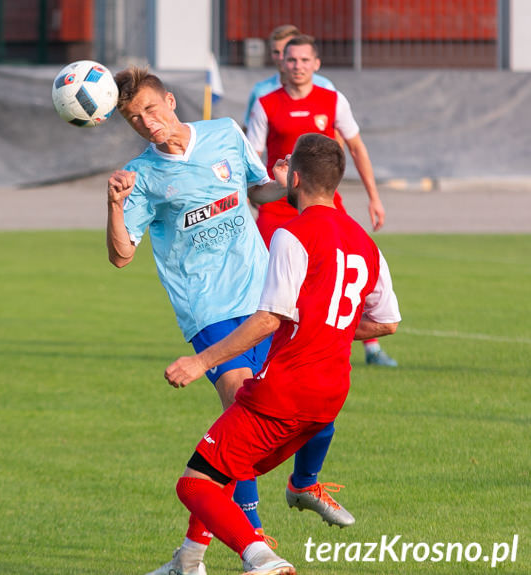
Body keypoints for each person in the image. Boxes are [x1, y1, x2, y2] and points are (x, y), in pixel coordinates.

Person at [164, 133, 401, 575]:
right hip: (328, 401)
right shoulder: (366, 243)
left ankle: (261, 558)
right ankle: (189, 561)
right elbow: (387, 322)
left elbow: (270, 318)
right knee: (226, 467)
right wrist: (326, 330)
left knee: (194, 486)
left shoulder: (292, 235)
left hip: (284, 392)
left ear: (293, 178)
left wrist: (201, 361)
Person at [106, 65, 286, 575]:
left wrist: (292, 187)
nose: (146, 122)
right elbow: (122, 256)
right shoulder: (139, 176)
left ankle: (191, 555)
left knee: (265, 420)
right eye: (134, 118)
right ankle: (256, 548)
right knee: (241, 410)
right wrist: (116, 207)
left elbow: (259, 191)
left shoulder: (225, 133)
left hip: (263, 294)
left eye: (150, 108)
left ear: (170, 100)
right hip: (207, 307)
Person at [247, 33, 398, 371]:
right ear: (281, 63)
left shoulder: (332, 100)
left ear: (316, 64)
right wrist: (256, 193)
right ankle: (265, 357)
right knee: (269, 286)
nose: (298, 66)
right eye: (291, 60)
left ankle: (369, 346)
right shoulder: (265, 103)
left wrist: (374, 198)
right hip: (276, 209)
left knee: (344, 272)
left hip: (324, 205)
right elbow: (252, 158)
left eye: (304, 60)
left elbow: (357, 148)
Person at [243, 25, 336, 132]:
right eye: (276, 52)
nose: (281, 57)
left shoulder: (325, 86)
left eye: (285, 51)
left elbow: (337, 133)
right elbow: (248, 130)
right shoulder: (260, 90)